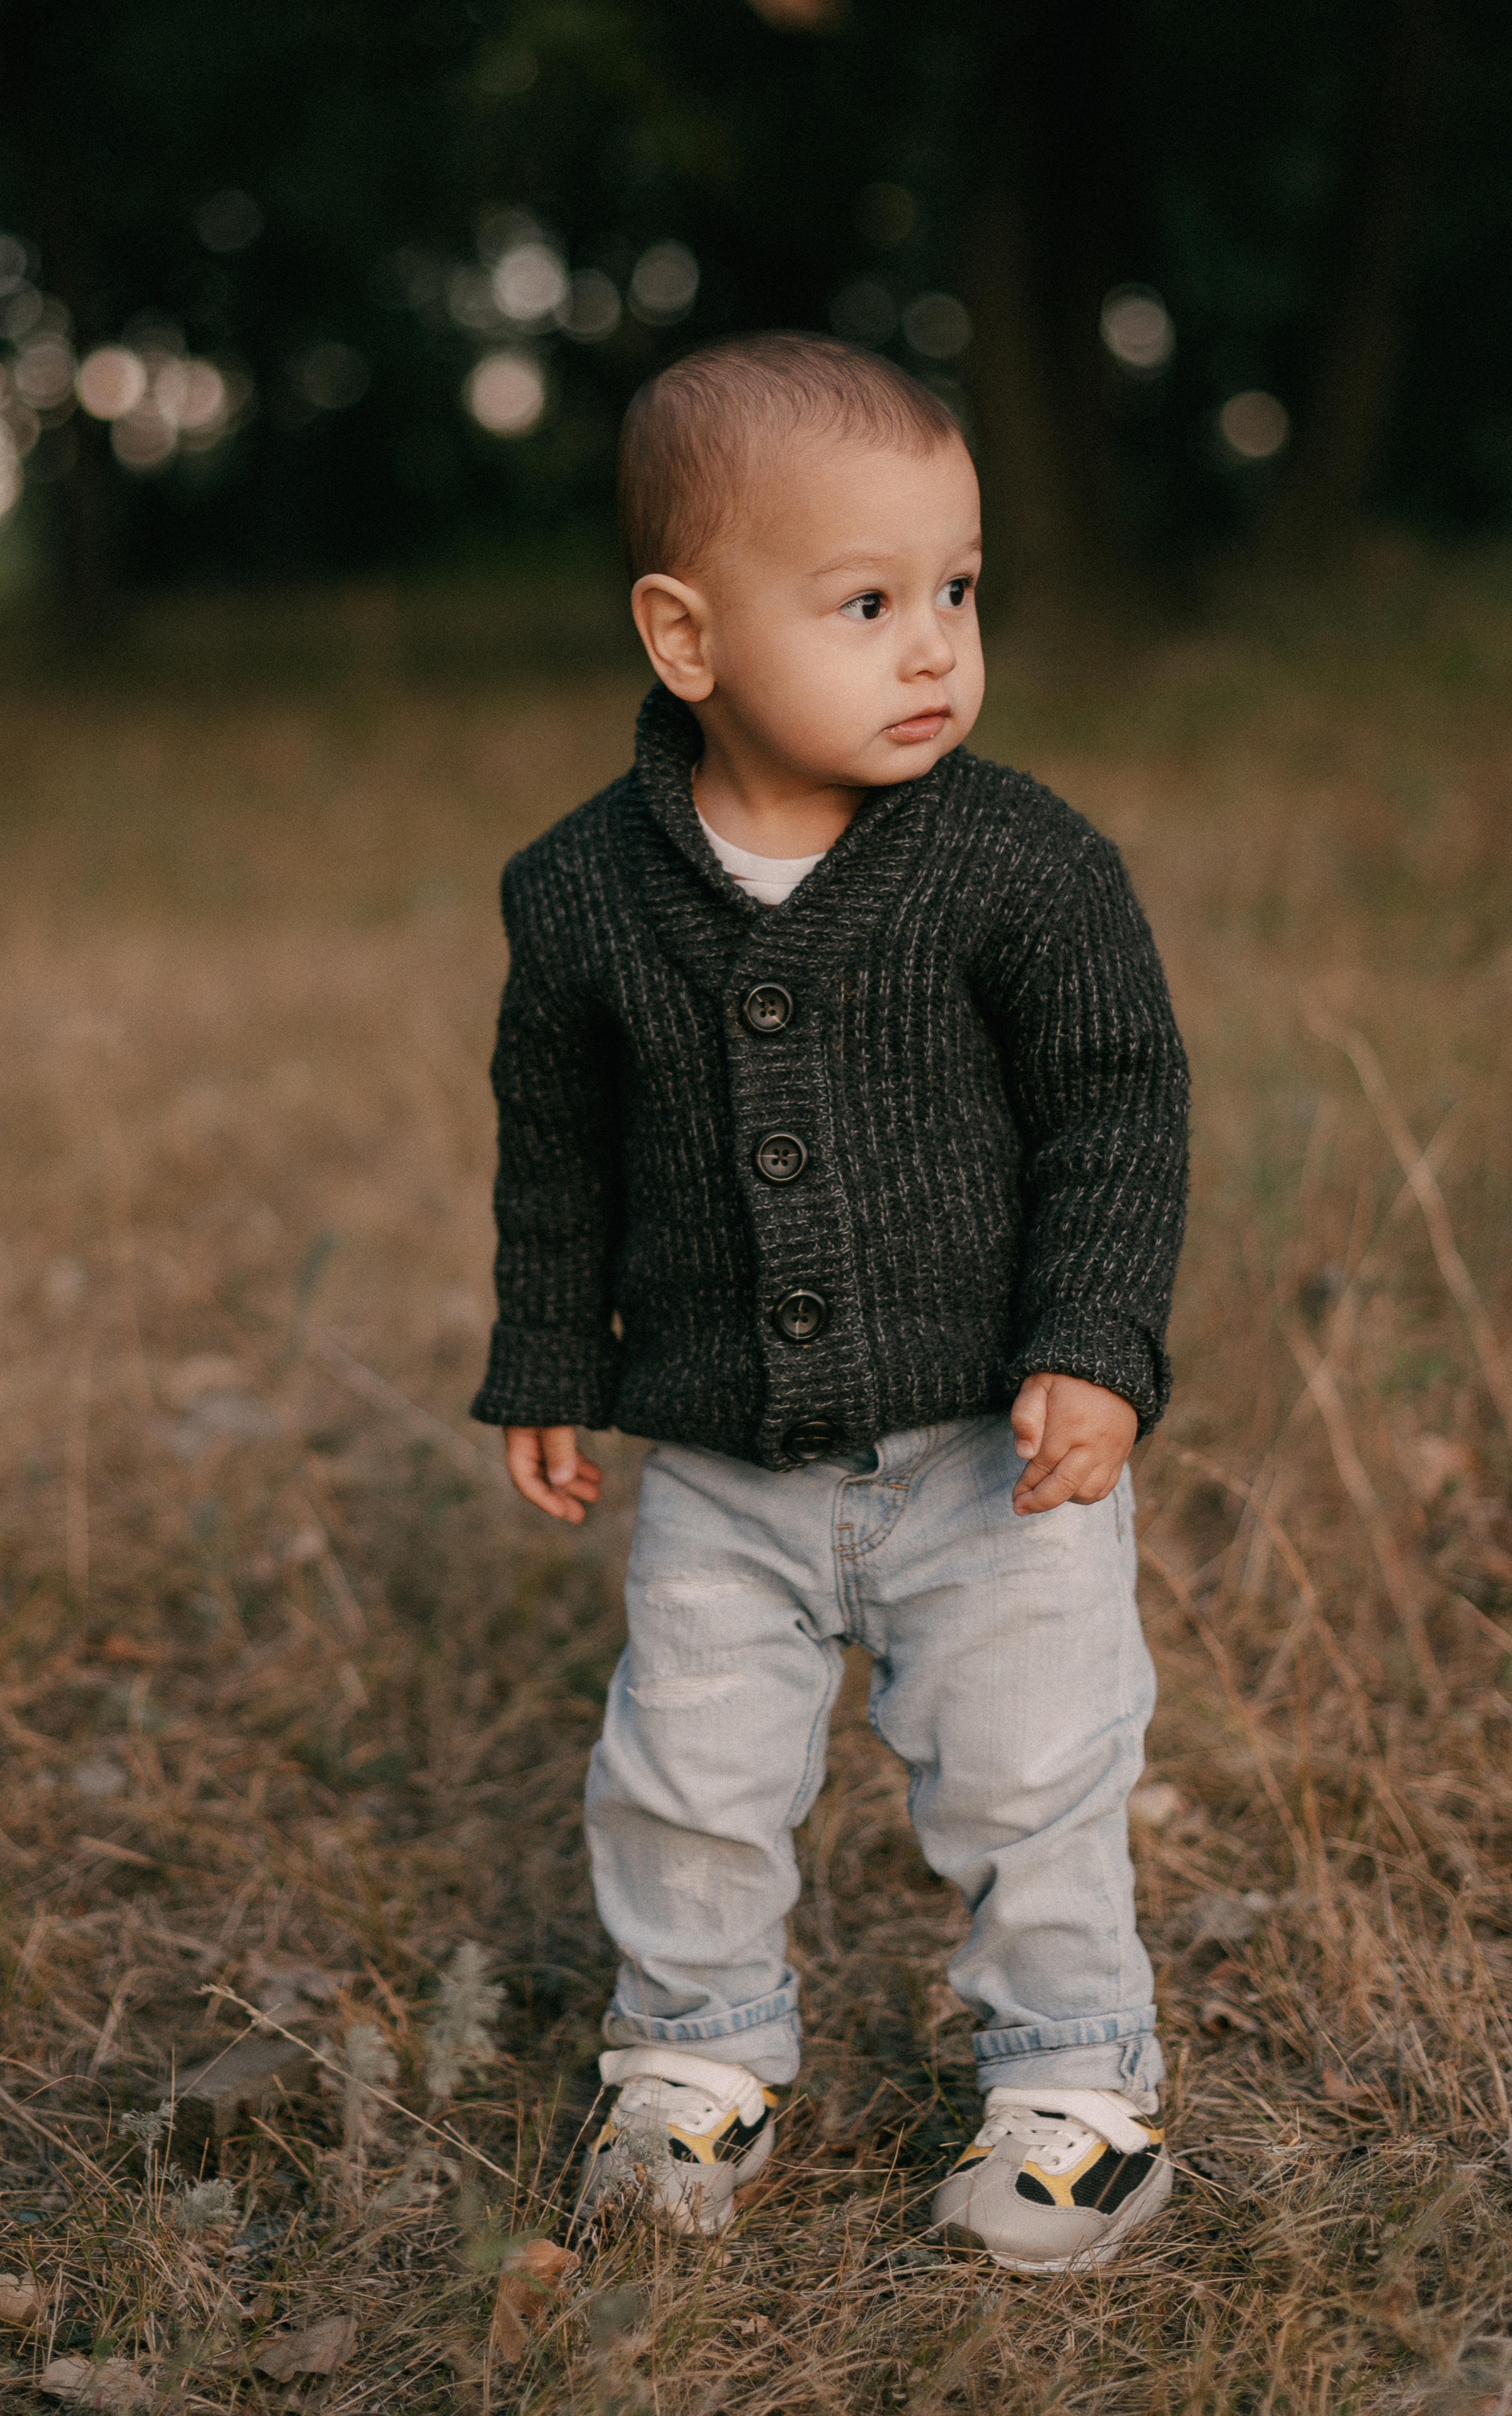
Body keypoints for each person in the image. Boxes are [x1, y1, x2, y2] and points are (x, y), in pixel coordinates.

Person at [470, 331, 1190, 2275]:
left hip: (993, 1447)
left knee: (1036, 1764)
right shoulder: (586, 894)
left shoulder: (1020, 864)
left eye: (959, 589)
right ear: (685, 638)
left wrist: (1093, 1340)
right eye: (867, 603)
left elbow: (1117, 1107)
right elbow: (558, 1148)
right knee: (685, 1773)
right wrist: (551, 1354)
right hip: (720, 1451)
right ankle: (699, 2056)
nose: (936, 645)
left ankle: (1070, 2077)